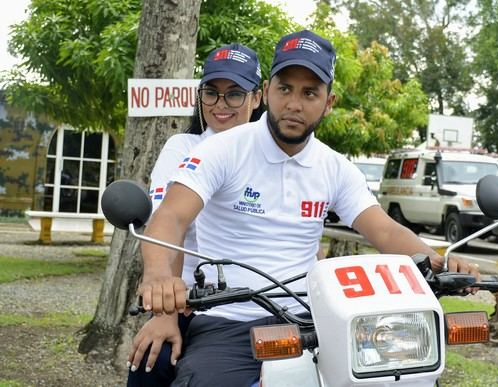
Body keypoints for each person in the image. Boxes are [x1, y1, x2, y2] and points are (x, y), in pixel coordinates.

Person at [138, 30, 479, 387]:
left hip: (313, 319)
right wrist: (160, 276)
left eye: (309, 93)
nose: (294, 104)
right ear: (267, 91)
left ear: (328, 102)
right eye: (285, 89)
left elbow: (386, 230)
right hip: (229, 318)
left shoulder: (334, 168)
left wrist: (439, 261)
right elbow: (171, 216)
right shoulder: (221, 150)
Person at [126, 43, 263, 387]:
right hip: (191, 298)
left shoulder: (274, 156)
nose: (221, 105)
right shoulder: (184, 148)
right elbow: (167, 224)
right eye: (211, 93)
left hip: (265, 303)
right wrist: (166, 312)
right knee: (149, 360)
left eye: (234, 94)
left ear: (257, 97)